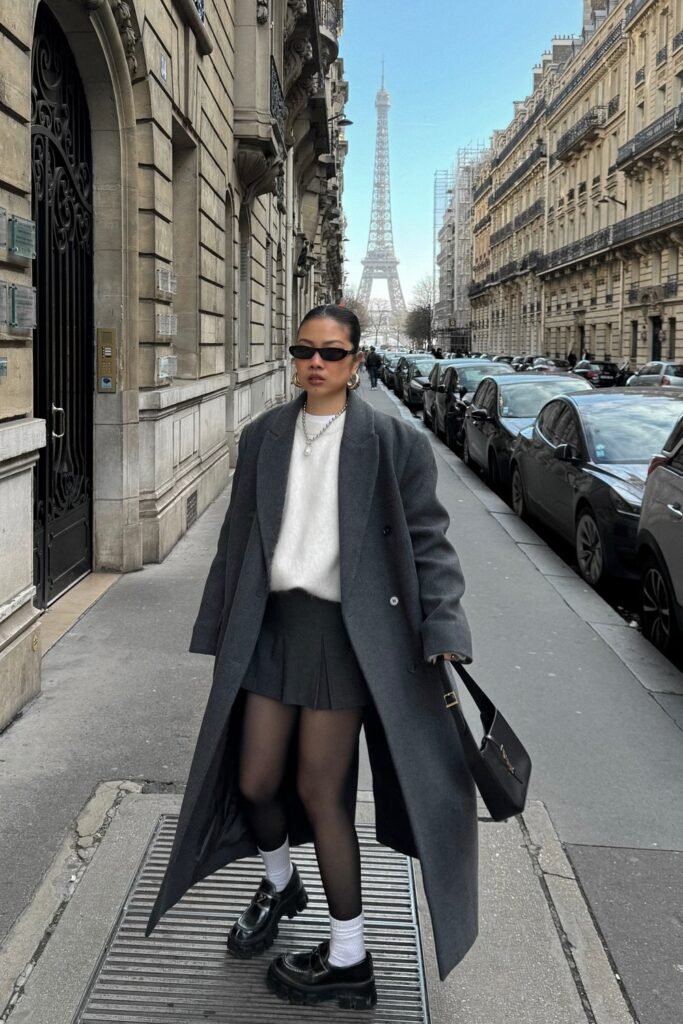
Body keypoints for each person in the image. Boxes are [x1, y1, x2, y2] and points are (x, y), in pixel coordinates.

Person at [145, 305, 477, 1010]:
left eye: (331, 352)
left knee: (321, 794)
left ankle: (351, 956)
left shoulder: (392, 442)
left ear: (356, 362)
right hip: (267, 629)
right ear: (291, 358)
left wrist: (444, 624)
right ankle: (280, 879)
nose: (315, 363)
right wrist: (216, 627)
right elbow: (236, 541)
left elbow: (429, 545)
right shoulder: (263, 435)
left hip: (344, 639)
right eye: (303, 350)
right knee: (256, 782)